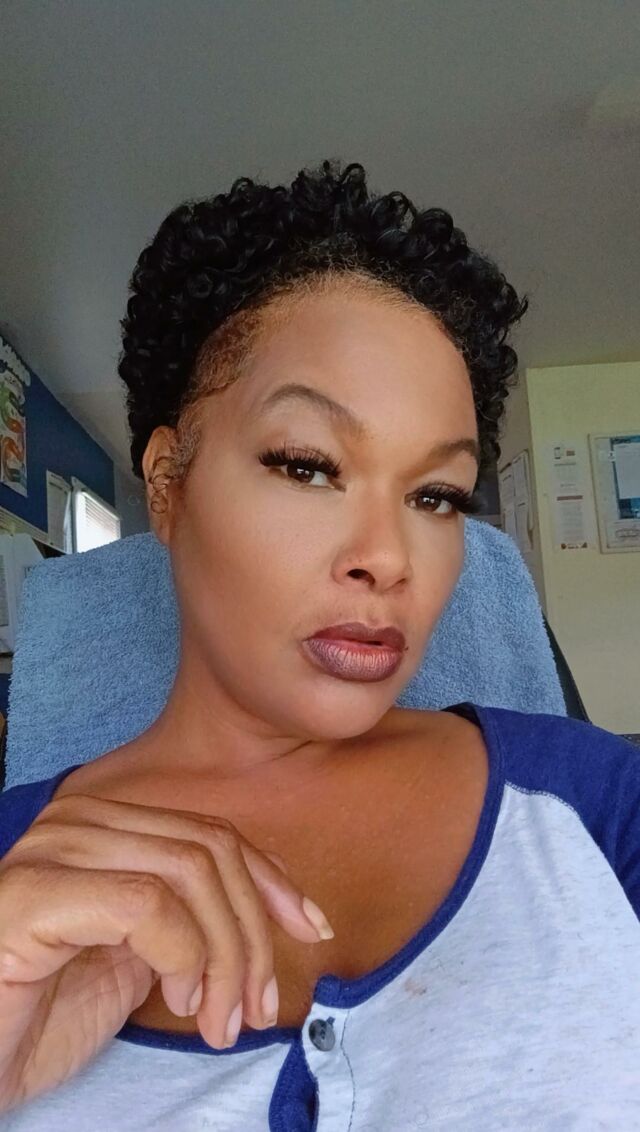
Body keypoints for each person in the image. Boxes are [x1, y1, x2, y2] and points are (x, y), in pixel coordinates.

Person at [0, 158, 638, 1130]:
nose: (388, 557)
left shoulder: (596, 805)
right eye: (307, 465)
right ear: (168, 483)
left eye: (436, 495)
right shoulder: (17, 874)